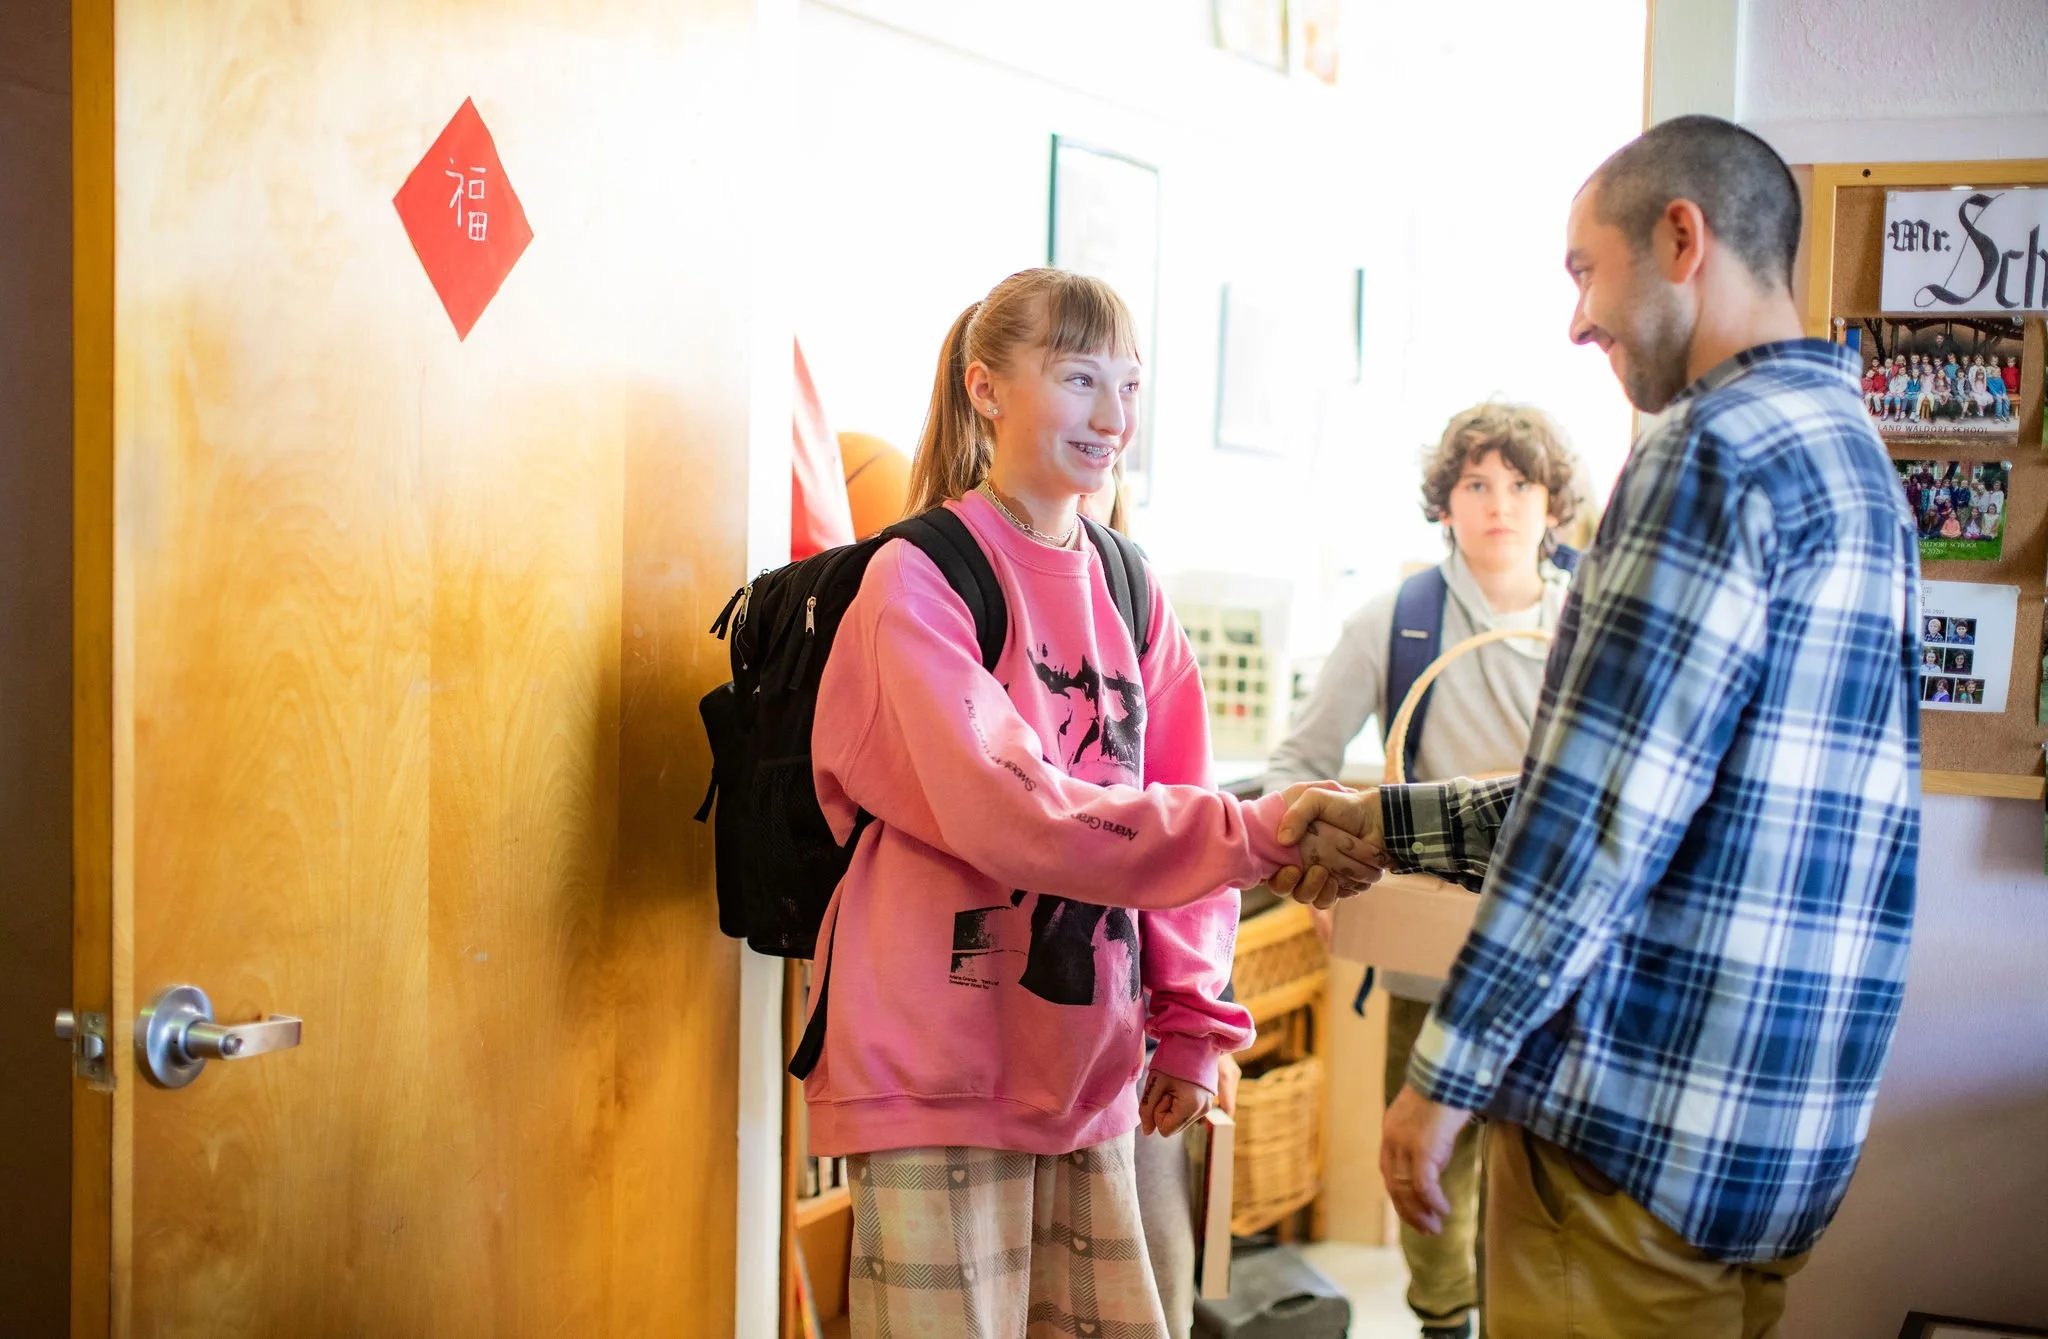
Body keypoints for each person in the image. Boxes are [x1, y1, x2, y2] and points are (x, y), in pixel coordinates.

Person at [1270, 115, 1919, 1337]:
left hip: (1632, 1134)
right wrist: (1381, 819)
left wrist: (1441, 1078)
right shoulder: (1853, 461)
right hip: (1773, 1135)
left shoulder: (1702, 455)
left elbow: (1592, 824)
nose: (1576, 320)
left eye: (1583, 269)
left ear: (1680, 239)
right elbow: (1649, 791)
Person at [803, 267, 1372, 1339]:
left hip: (1096, 1075)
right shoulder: (918, 580)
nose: (1112, 418)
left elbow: (1177, 793)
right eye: (1077, 379)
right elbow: (1016, 813)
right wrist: (1252, 834)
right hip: (939, 1071)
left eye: (1129, 384)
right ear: (985, 388)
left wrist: (1194, 1022)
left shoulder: (1128, 584)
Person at [1262, 401, 1584, 1339]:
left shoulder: (1596, 617)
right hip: (1429, 954)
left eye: (1521, 484)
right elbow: (1295, 765)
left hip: (1560, 957)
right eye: (1477, 483)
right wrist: (1310, 875)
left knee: (1556, 1179)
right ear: (1444, 502)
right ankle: (1444, 1324)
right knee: (1431, 1173)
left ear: (1553, 502)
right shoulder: (1396, 620)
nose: (1500, 504)